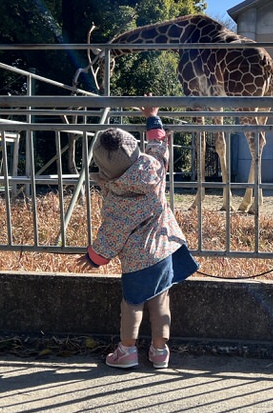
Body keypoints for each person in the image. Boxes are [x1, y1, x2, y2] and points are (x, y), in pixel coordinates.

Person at [75, 102, 198, 370]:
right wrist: (153, 118)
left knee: (132, 304)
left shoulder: (115, 197)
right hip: (163, 252)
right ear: (135, 151)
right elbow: (158, 147)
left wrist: (94, 257)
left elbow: (111, 234)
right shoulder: (153, 170)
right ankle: (160, 351)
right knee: (161, 301)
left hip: (135, 262)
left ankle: (127, 351)